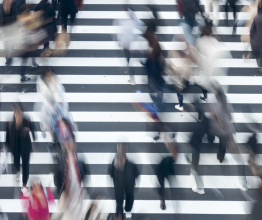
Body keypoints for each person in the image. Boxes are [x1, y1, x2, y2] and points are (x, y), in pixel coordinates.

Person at [5, 103, 36, 196]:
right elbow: (7, 133)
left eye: (18, 111)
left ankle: (24, 185)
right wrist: (6, 145)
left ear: (21, 110)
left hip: (25, 147)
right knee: (16, 162)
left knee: (26, 166)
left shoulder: (27, 120)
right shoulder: (10, 121)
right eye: (15, 111)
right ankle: (18, 170)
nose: (16, 113)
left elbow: (33, 129)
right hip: (15, 147)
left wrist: (30, 132)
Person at [108, 143, 140, 219]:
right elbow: (111, 173)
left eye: (121, 160)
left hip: (129, 185)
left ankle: (128, 210)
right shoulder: (114, 163)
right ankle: (119, 215)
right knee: (119, 203)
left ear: (125, 157)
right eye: (118, 160)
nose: (119, 162)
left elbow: (136, 174)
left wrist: (134, 185)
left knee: (130, 198)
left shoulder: (131, 164)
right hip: (118, 187)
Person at [114, 6, 144, 85]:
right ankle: (143, 67)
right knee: (138, 58)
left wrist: (119, 42)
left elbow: (120, 35)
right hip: (134, 46)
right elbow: (141, 25)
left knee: (129, 63)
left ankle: (132, 79)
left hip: (127, 46)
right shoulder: (134, 19)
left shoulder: (124, 21)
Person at [144, 32, 165, 111]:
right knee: (160, 92)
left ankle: (156, 106)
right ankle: (157, 105)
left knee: (153, 93)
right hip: (159, 77)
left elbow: (148, 73)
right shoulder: (159, 56)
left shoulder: (149, 61)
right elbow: (162, 66)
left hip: (153, 78)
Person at [156, 142, 177, 210]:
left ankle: (166, 197)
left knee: (170, 184)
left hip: (167, 171)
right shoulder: (167, 158)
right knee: (161, 187)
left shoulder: (172, 158)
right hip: (160, 172)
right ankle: (162, 201)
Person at [250, 1, 262, 72]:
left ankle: (259, 65)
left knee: (257, 54)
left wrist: (251, 38)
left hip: (256, 41)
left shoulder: (256, 18)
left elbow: (252, 30)